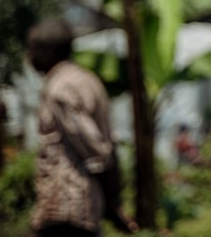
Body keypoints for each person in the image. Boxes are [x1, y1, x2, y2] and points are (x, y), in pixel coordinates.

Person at [27, 17, 137, 236]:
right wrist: (114, 201)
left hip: (67, 208)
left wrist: (113, 204)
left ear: (49, 52)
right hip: (82, 209)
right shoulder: (87, 80)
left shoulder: (60, 89)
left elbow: (95, 147)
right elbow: (108, 144)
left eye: (32, 50)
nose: (29, 56)